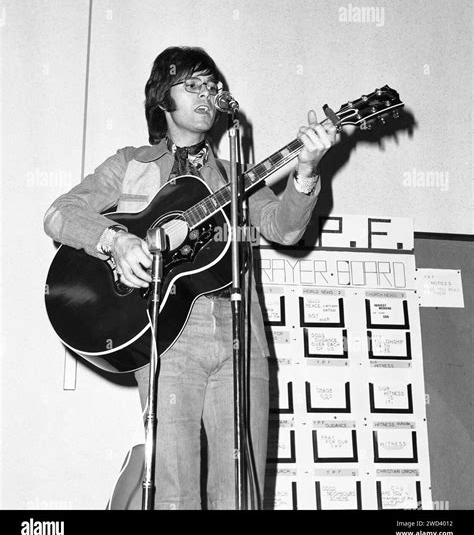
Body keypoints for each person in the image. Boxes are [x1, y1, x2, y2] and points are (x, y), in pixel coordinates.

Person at [43, 46, 338, 509]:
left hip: (241, 332)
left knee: (240, 491)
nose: (207, 94)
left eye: (212, 86)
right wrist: (115, 241)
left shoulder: (237, 175)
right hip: (165, 331)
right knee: (173, 490)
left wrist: (305, 171)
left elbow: (285, 228)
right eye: (193, 85)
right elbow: (59, 214)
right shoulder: (131, 163)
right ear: (163, 99)